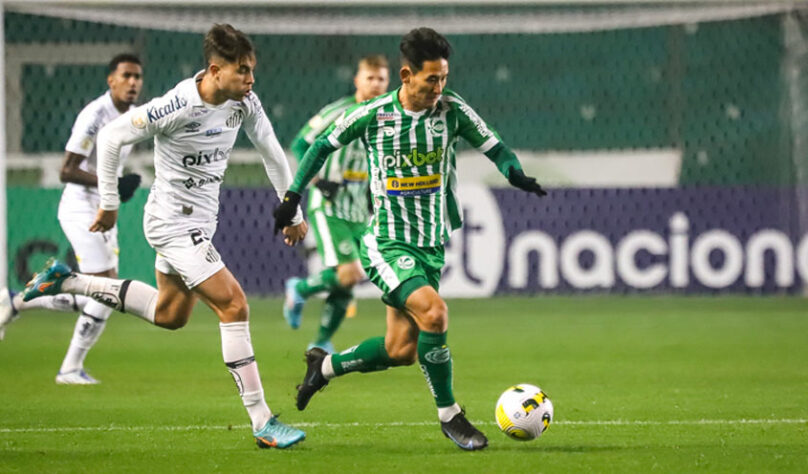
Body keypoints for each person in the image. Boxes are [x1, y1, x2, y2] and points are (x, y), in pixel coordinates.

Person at [21, 24, 308, 449]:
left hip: (200, 221)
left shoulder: (244, 102)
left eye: (252, 71)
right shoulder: (177, 104)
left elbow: (271, 151)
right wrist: (109, 202)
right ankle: (263, 421)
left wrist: (291, 210)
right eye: (242, 71)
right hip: (172, 222)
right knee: (233, 303)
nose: (251, 80)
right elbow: (113, 136)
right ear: (215, 70)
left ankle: (68, 281)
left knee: (171, 314)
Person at [273, 27, 547, 451]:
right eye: (430, 80)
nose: (439, 88)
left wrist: (516, 174)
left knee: (400, 349)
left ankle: (323, 367)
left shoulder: (452, 111)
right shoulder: (375, 114)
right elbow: (320, 147)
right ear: (406, 75)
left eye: (443, 78)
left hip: (431, 244)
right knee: (434, 315)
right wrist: (292, 197)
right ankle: (450, 416)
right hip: (385, 242)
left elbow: (496, 148)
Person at [0, 54, 144, 385]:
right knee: (106, 290)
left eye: (138, 77)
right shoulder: (94, 116)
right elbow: (67, 170)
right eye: (127, 76)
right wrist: (111, 183)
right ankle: (64, 363)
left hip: (105, 206)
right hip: (81, 208)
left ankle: (20, 305)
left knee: (106, 293)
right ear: (112, 80)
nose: (133, 82)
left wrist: (118, 186)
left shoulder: (135, 116)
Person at [283, 54, 390, 353]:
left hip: (359, 209)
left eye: (381, 79)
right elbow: (300, 143)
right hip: (329, 205)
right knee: (350, 273)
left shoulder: (386, 116)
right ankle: (300, 289)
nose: (376, 84)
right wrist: (317, 179)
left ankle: (321, 342)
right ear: (357, 80)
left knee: (350, 279)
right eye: (370, 78)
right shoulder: (339, 111)